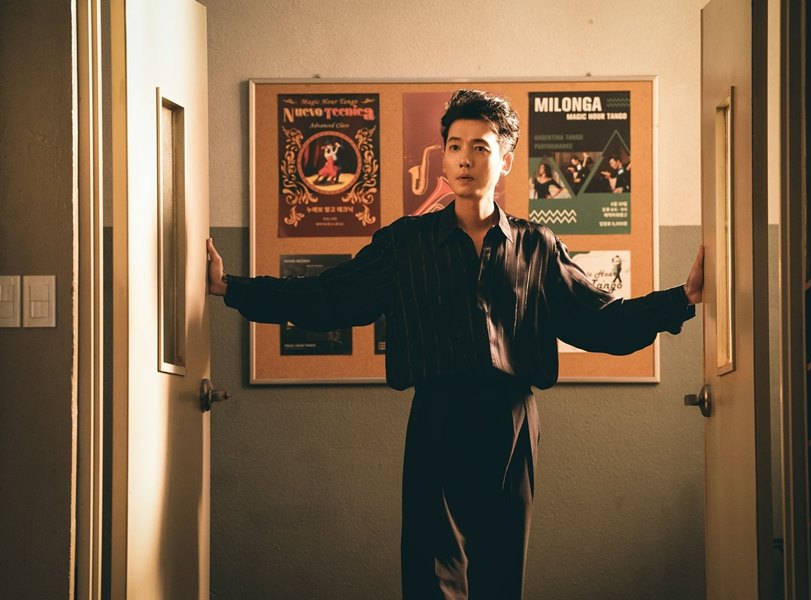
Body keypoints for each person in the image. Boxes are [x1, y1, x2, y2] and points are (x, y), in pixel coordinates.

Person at [207, 89, 704, 600]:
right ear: (443, 158)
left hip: (512, 420)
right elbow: (330, 298)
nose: (465, 158)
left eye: (481, 147)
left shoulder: (537, 246)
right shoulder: (405, 243)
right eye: (455, 146)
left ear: (505, 160)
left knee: (500, 574)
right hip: (437, 416)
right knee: (432, 575)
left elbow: (600, 323)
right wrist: (233, 288)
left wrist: (680, 299)